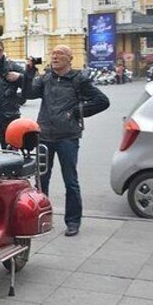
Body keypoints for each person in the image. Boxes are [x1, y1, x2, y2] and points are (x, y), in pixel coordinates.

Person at [23, 45, 110, 237]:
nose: (55, 56)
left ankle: (73, 222)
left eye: (60, 54)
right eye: (53, 53)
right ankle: (42, 218)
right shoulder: (46, 78)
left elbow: (102, 101)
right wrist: (29, 72)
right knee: (41, 180)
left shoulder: (79, 79)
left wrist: (77, 112)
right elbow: (27, 94)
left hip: (68, 138)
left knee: (70, 180)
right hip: (44, 135)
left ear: (70, 59)